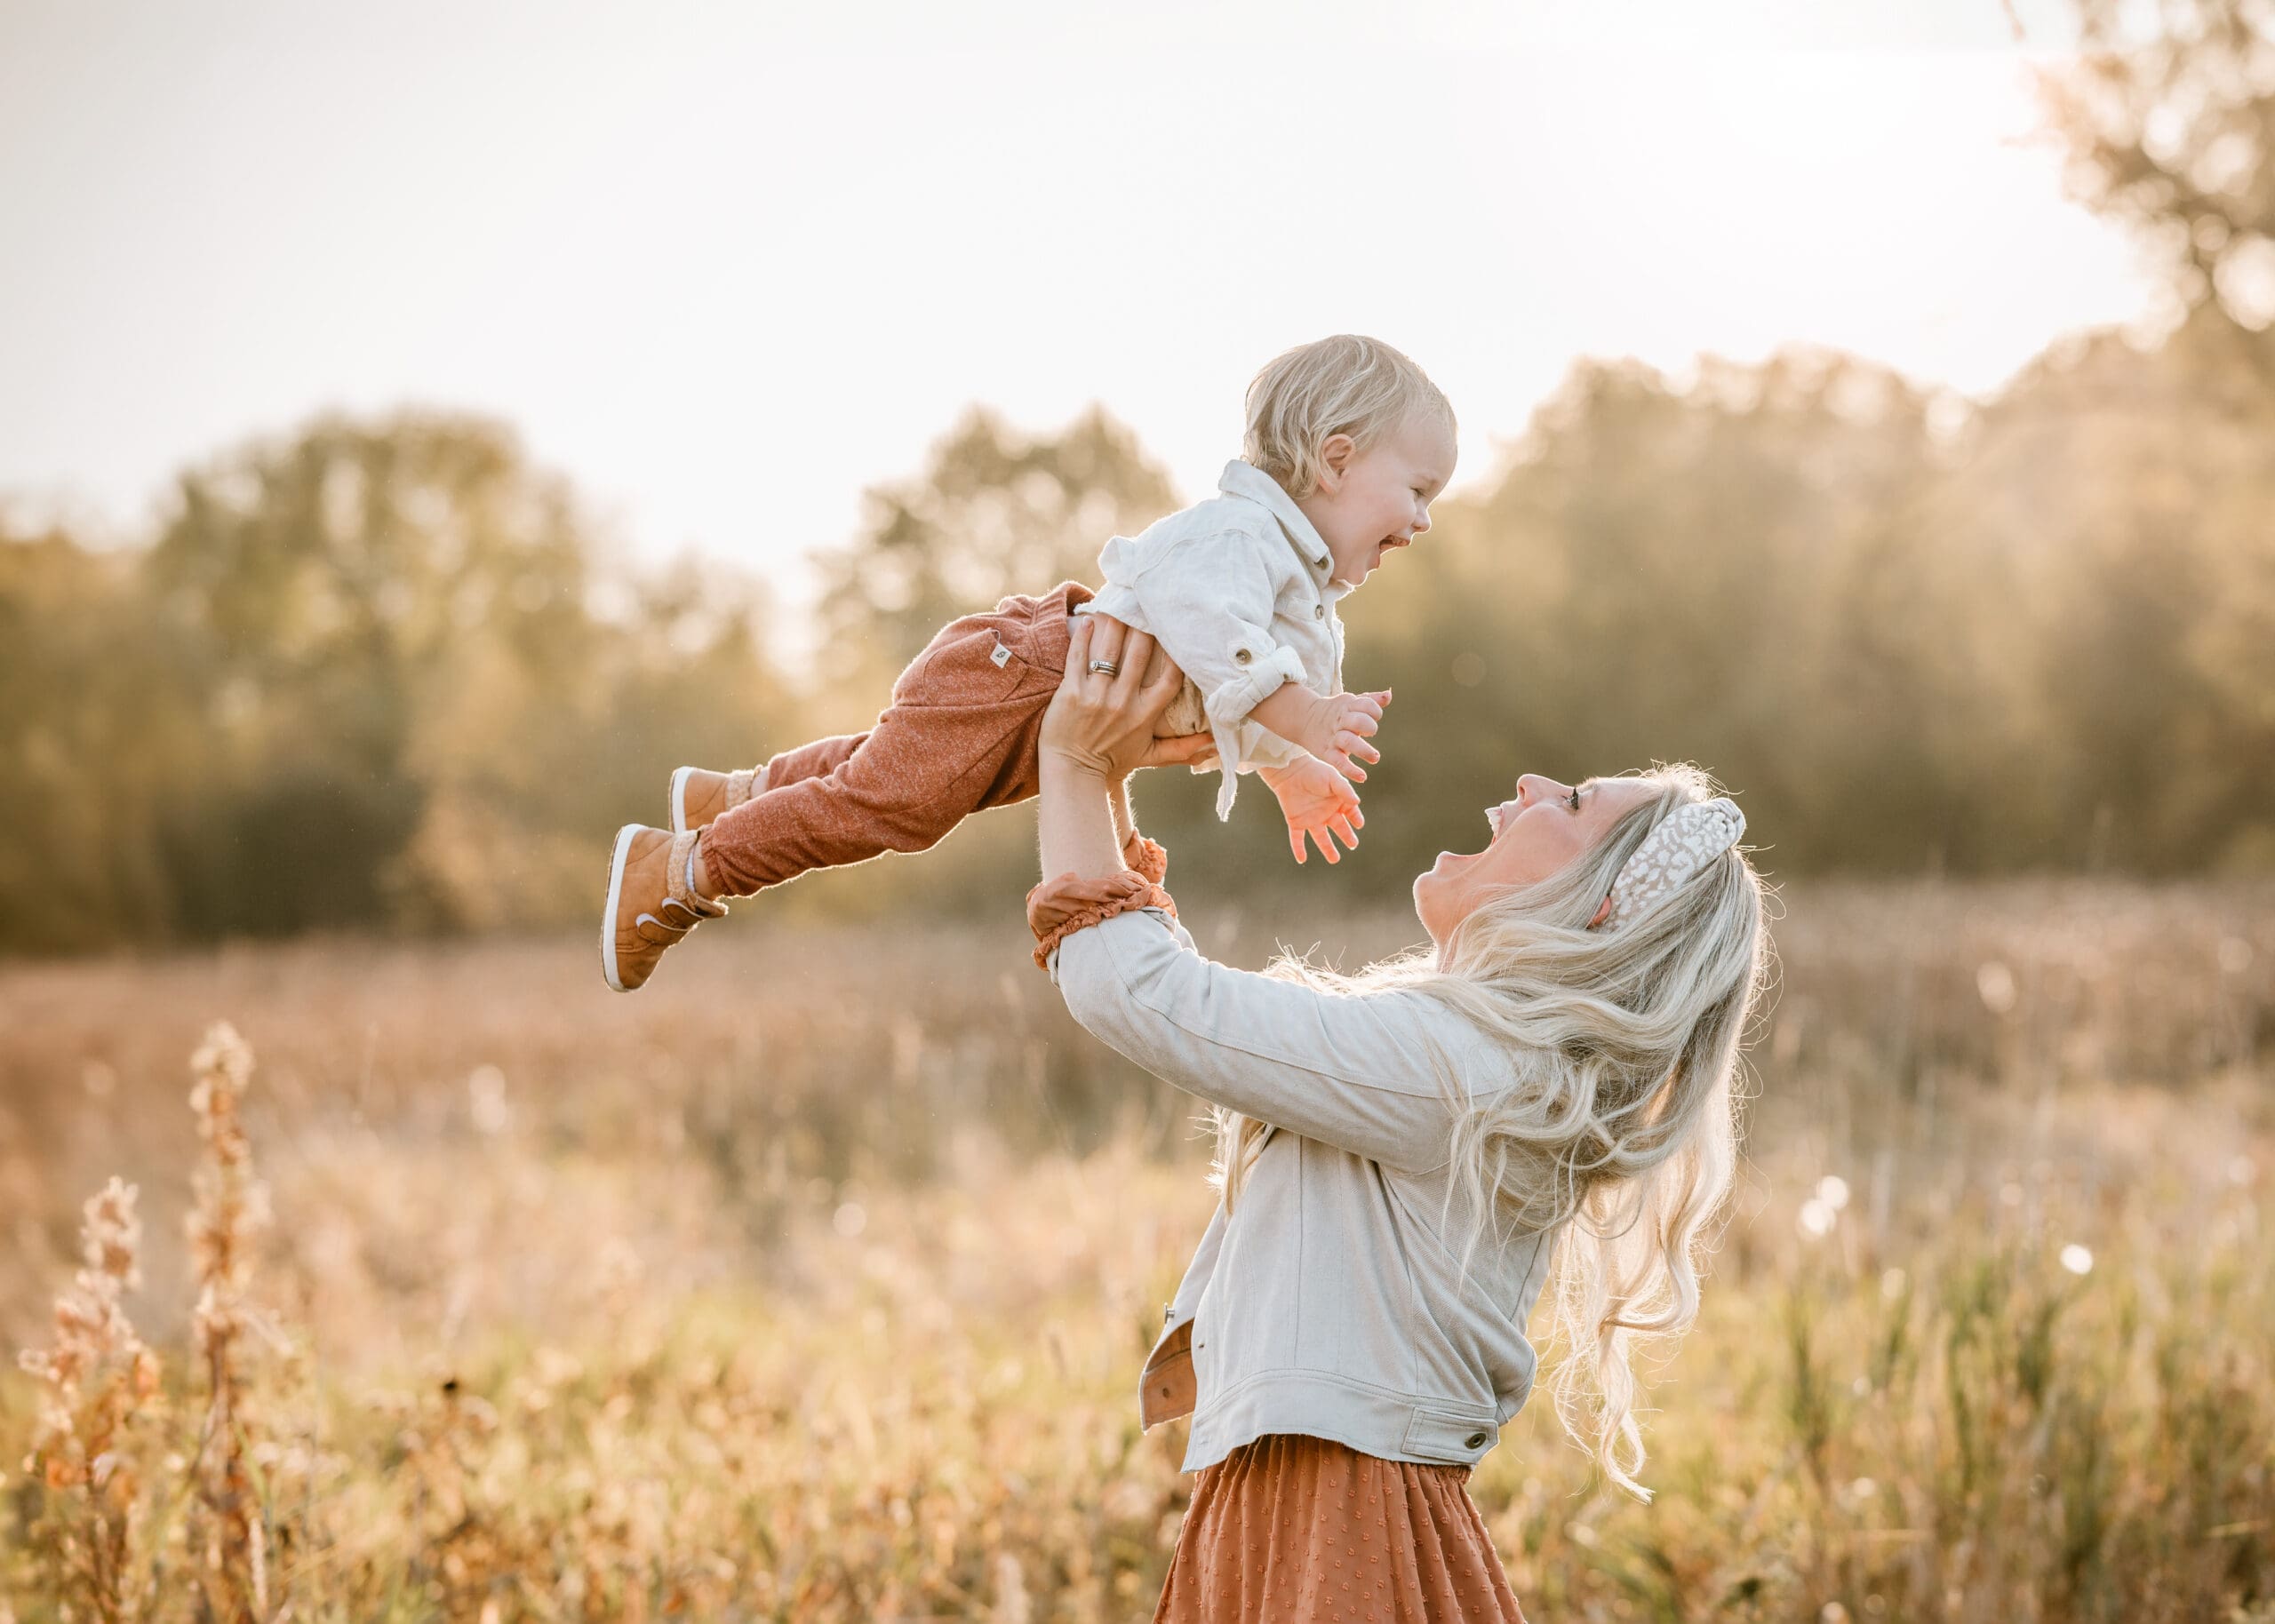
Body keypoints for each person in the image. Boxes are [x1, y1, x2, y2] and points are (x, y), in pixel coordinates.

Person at [1026, 617, 1770, 1622]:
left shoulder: (1469, 1070)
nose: (1529, 788)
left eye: (1575, 802)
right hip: (1311, 1512)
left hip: (1341, 1528)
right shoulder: (1479, 1066)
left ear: (1598, 909)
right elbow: (1179, 1000)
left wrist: (1073, 758)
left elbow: (1135, 991)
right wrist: (1108, 775)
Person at [601, 334, 1457, 991]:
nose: (1423, 522)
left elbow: (1241, 687)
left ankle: (738, 796)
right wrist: (1303, 720)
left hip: (1047, 691)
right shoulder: (1242, 533)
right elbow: (1209, 626)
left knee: (891, 777)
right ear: (1337, 458)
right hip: (1033, 670)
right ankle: (676, 869)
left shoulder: (1302, 587)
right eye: (1418, 491)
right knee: (892, 805)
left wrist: (1287, 770)